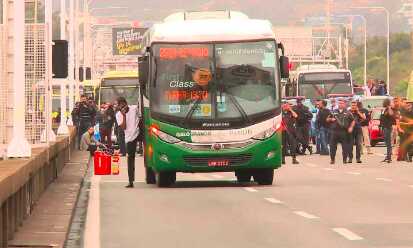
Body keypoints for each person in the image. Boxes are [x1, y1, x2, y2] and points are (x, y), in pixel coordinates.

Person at [116, 97, 140, 188]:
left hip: (139, 133)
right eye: (120, 106)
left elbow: (141, 116)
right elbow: (124, 127)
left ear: (126, 103)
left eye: (123, 105)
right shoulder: (118, 114)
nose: (122, 108)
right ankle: (131, 181)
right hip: (130, 137)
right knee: (130, 158)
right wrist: (124, 115)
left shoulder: (134, 108)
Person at [327, 99, 355, 165]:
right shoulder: (333, 112)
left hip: (344, 132)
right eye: (339, 103)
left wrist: (351, 127)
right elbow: (327, 119)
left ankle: (344, 160)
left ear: (344, 104)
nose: (340, 104)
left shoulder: (348, 112)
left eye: (342, 103)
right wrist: (331, 119)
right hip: (335, 131)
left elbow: (353, 121)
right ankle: (332, 159)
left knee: (345, 147)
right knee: (332, 147)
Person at [381, 99, 396, 163]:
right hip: (384, 127)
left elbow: (391, 114)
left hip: (387, 128)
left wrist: (389, 108)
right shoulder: (385, 109)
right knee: (387, 143)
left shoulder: (389, 109)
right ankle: (387, 156)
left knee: (388, 143)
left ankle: (389, 157)